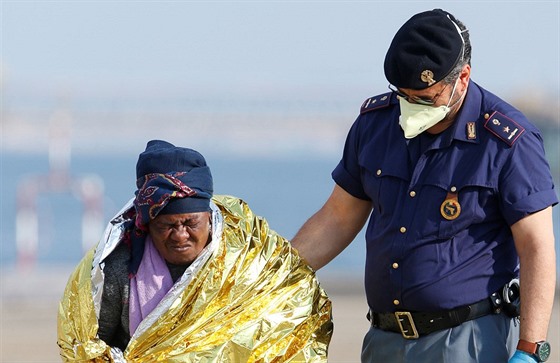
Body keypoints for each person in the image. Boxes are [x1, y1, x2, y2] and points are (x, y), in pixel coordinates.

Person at [291, 9, 557, 363]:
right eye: (404, 95)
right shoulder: (375, 124)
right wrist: (273, 276)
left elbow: (536, 247)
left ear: (462, 78)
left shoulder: (506, 141)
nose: (411, 106)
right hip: (384, 340)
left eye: (425, 97)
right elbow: (336, 219)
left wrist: (531, 349)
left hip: (467, 340)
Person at [57, 140, 333, 362]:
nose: (180, 235)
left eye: (191, 223)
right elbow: (90, 346)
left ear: (210, 219)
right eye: (166, 225)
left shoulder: (245, 265)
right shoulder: (119, 269)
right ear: (146, 224)